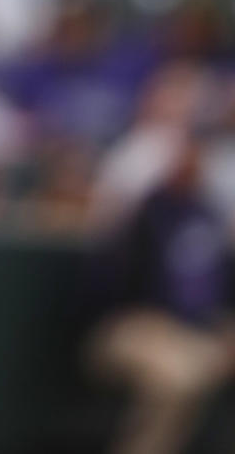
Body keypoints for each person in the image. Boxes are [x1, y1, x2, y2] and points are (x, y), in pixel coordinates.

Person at [83, 133, 235, 454]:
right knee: (179, 377)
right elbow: (107, 291)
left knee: (192, 368)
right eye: (182, 160)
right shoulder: (144, 217)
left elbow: (216, 291)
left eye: (197, 161)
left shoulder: (206, 215)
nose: (190, 167)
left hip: (195, 333)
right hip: (134, 328)